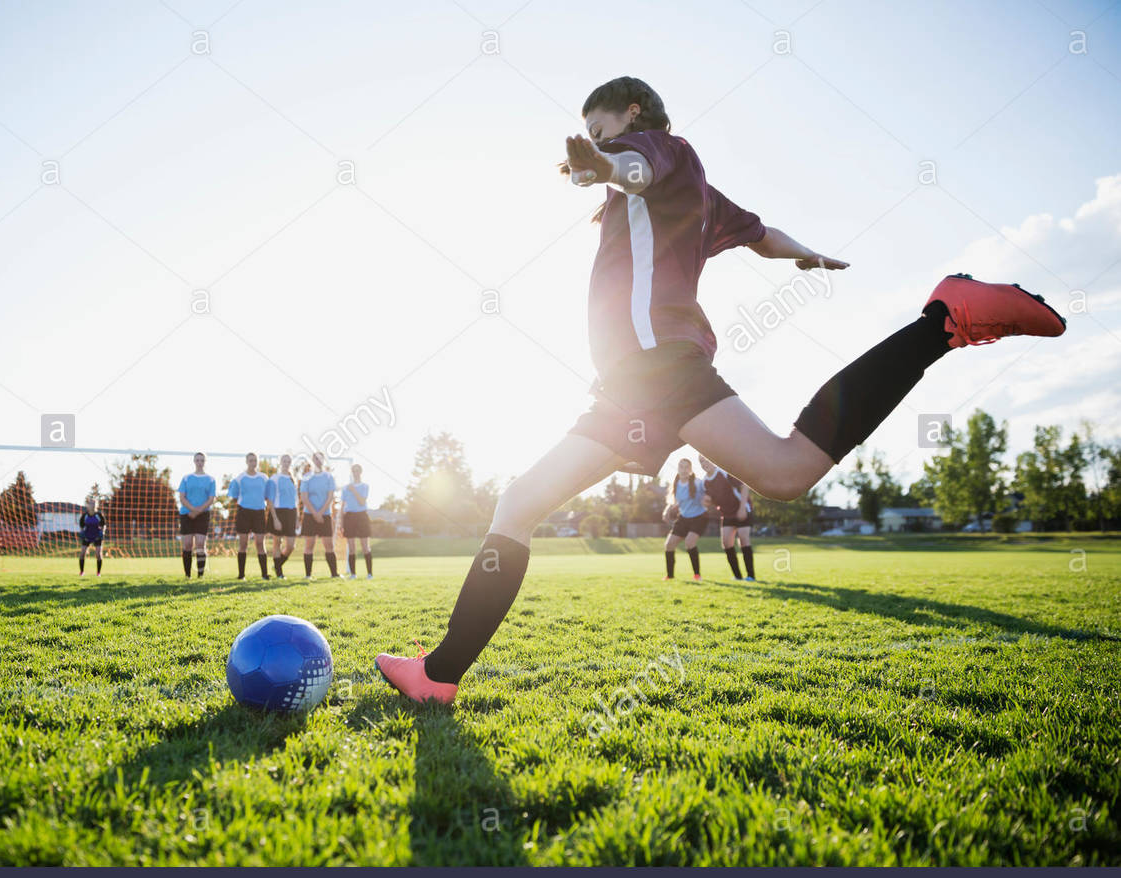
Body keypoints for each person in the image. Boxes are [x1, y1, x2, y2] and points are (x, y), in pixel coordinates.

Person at [376, 75, 1065, 704]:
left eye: (601, 128)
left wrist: (606, 165)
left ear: (635, 112)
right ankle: (439, 675)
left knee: (786, 472)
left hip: (657, 372)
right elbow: (762, 235)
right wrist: (807, 253)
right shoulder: (697, 191)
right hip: (629, 389)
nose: (596, 142)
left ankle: (942, 321)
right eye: (589, 139)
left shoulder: (660, 151)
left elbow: (638, 165)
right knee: (524, 499)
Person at [700, 455, 755, 581]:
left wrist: (742, 509)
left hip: (742, 509)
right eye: (701, 461)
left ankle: (751, 576)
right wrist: (706, 502)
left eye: (706, 459)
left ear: (712, 460)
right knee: (726, 543)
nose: (704, 463)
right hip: (727, 514)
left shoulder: (724, 472)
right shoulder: (705, 482)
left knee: (743, 539)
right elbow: (711, 499)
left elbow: (744, 486)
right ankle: (737, 576)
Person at [227, 453, 275, 580]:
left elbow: (268, 496)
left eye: (255, 460)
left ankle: (264, 574)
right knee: (243, 544)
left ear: (257, 462)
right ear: (246, 461)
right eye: (251, 460)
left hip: (259, 512)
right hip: (244, 512)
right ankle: (241, 575)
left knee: (260, 543)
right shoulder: (240, 478)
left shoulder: (264, 478)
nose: (253, 463)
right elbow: (233, 494)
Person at [663, 458, 706, 581]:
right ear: (678, 469)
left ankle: (697, 575)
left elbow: (707, 495)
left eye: (686, 467)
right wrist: (667, 510)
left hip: (699, 517)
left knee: (689, 542)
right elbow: (674, 502)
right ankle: (670, 576)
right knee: (669, 545)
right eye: (681, 467)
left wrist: (706, 500)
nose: (684, 469)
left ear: (690, 469)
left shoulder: (698, 483)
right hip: (684, 517)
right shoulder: (675, 484)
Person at [300, 452, 339, 578]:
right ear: (312, 461)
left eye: (320, 459)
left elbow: (330, 497)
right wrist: (315, 514)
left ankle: (334, 574)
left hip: (325, 515)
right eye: (315, 459)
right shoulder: (306, 477)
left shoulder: (329, 477)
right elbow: (304, 498)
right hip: (309, 515)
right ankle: (308, 575)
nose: (318, 461)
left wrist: (320, 513)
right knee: (309, 545)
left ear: (324, 460)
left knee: (329, 545)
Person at [177, 452, 216, 578]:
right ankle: (187, 575)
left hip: (203, 514)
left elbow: (211, 498)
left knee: (200, 543)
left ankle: (200, 575)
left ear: (205, 462)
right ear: (194, 461)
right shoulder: (186, 478)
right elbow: (182, 497)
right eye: (197, 460)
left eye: (202, 460)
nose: (200, 463)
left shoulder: (210, 479)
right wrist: (192, 510)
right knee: (188, 544)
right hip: (187, 514)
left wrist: (198, 511)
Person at [269, 454, 299, 578]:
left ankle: (277, 565)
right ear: (280, 462)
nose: (286, 463)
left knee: (291, 546)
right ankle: (279, 573)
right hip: (278, 511)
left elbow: (295, 500)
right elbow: (270, 500)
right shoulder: (274, 478)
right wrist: (275, 519)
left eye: (288, 461)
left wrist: (297, 518)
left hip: (291, 513)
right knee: (277, 543)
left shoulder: (294, 479)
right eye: (284, 461)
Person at [341, 463, 373, 579]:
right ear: (351, 472)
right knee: (351, 547)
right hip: (349, 517)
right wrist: (341, 522)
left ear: (361, 472)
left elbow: (361, 502)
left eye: (357, 470)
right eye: (353, 471)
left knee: (365, 546)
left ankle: (369, 574)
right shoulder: (345, 488)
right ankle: (353, 574)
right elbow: (342, 506)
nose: (356, 473)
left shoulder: (365, 486)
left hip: (362, 517)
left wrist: (353, 490)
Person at [78, 495, 106, 577]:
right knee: (82, 552)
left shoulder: (99, 515)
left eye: (94, 504)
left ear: (96, 505)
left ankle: (98, 573)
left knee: (98, 553)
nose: (92, 505)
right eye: (91, 504)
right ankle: (82, 572)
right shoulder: (85, 516)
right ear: (88, 505)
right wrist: (82, 532)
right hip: (87, 536)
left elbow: (104, 525)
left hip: (97, 536)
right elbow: (81, 526)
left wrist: (102, 532)